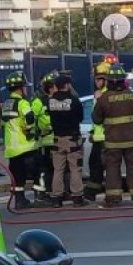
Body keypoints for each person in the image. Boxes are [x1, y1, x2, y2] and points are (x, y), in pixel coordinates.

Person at [92, 64, 133, 207]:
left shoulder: (104, 99)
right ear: (123, 80)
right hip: (131, 140)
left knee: (112, 169)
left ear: (109, 81)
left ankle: (113, 198)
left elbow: (96, 119)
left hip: (112, 142)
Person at [2, 71, 49, 210]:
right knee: (40, 171)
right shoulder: (22, 103)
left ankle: (19, 201)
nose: (26, 89)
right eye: (25, 86)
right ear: (20, 88)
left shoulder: (6, 104)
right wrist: (30, 129)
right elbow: (29, 118)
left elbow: (3, 123)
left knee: (18, 177)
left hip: (12, 149)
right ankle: (40, 197)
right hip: (26, 147)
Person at [48, 73, 85, 208]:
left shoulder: (50, 101)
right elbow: (80, 117)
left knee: (58, 169)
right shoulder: (74, 100)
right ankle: (77, 197)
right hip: (72, 139)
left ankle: (57, 198)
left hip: (57, 139)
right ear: (67, 85)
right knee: (75, 169)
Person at [83, 60, 111, 201]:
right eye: (96, 79)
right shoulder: (99, 94)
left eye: (100, 79)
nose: (97, 82)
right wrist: (93, 132)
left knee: (98, 166)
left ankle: (92, 192)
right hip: (98, 137)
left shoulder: (105, 95)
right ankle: (93, 191)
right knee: (95, 164)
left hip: (105, 138)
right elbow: (95, 118)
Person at [31, 71, 58, 199]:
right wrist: (36, 132)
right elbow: (30, 120)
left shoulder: (58, 99)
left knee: (55, 169)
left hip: (57, 140)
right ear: (50, 87)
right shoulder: (39, 101)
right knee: (43, 168)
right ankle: (41, 193)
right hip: (45, 142)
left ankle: (54, 191)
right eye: (55, 86)